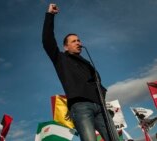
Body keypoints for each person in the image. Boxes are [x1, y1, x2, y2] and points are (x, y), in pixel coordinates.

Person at [42, 3, 119, 141]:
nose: (78, 42)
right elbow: (47, 40)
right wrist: (50, 15)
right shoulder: (60, 58)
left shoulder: (87, 62)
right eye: (74, 41)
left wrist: (101, 95)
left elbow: (97, 81)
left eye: (79, 40)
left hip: (100, 107)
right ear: (66, 47)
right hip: (81, 106)